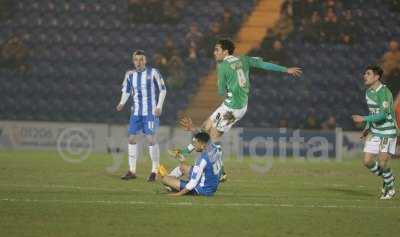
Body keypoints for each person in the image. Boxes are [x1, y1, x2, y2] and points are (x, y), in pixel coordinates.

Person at [171, 39, 302, 180]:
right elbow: (263, 64)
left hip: (232, 108)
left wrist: (225, 86)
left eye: (217, 50)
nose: (214, 53)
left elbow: (221, 90)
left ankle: (221, 172)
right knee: (205, 127)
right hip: (234, 105)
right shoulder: (244, 58)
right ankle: (185, 151)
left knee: (212, 139)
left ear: (225, 51)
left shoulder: (222, 66)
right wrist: (286, 69)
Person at [116, 50, 167, 181]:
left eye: (141, 59)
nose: (138, 62)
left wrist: (159, 106)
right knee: (132, 139)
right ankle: (132, 171)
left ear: (145, 61)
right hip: (136, 112)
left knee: (151, 140)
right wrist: (122, 103)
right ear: (133, 61)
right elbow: (126, 91)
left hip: (150, 112)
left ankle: (154, 171)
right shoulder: (130, 75)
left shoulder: (153, 72)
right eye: (136, 60)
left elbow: (163, 90)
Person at [352, 65, 397, 200]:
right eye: (365, 73)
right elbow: (373, 113)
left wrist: (363, 118)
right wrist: (367, 128)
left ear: (377, 77)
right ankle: (388, 177)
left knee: (382, 163)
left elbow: (383, 115)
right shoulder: (368, 92)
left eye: (368, 74)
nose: (364, 76)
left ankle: (390, 188)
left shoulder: (384, 92)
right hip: (375, 131)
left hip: (387, 131)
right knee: (367, 162)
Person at [158, 132, 222, 196]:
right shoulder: (215, 148)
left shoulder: (202, 160)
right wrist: (182, 157)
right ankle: (171, 186)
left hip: (202, 190)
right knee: (182, 167)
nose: (194, 145)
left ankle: (172, 186)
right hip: (212, 185)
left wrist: (177, 194)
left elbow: (193, 182)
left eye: (196, 143)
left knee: (165, 179)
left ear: (202, 144)